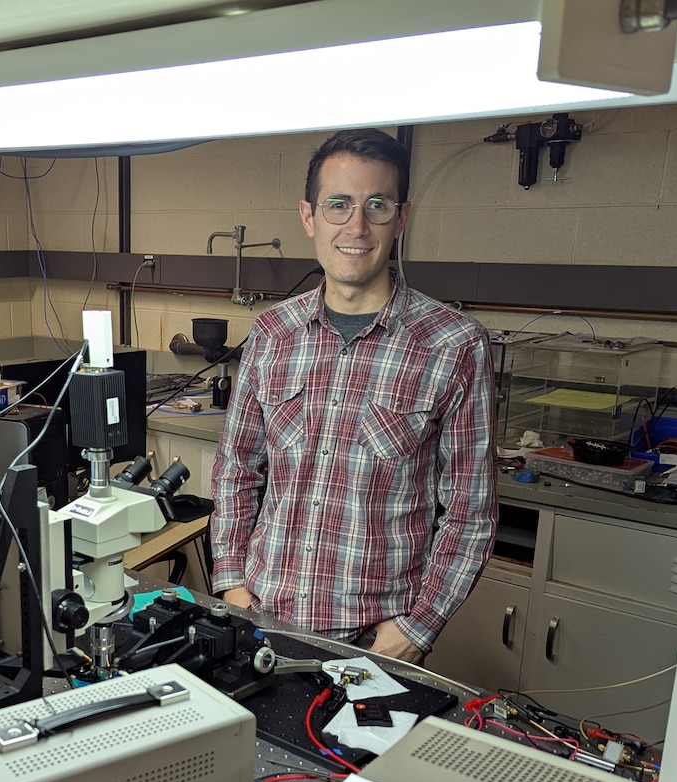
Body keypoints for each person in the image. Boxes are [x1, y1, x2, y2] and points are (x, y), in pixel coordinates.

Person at [209, 128, 497, 663]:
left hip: (376, 643)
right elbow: (235, 470)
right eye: (338, 204)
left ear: (402, 217)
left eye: (377, 206)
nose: (356, 226)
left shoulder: (454, 345)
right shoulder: (273, 332)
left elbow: (470, 513)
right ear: (308, 216)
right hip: (262, 620)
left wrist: (417, 627)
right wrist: (232, 586)